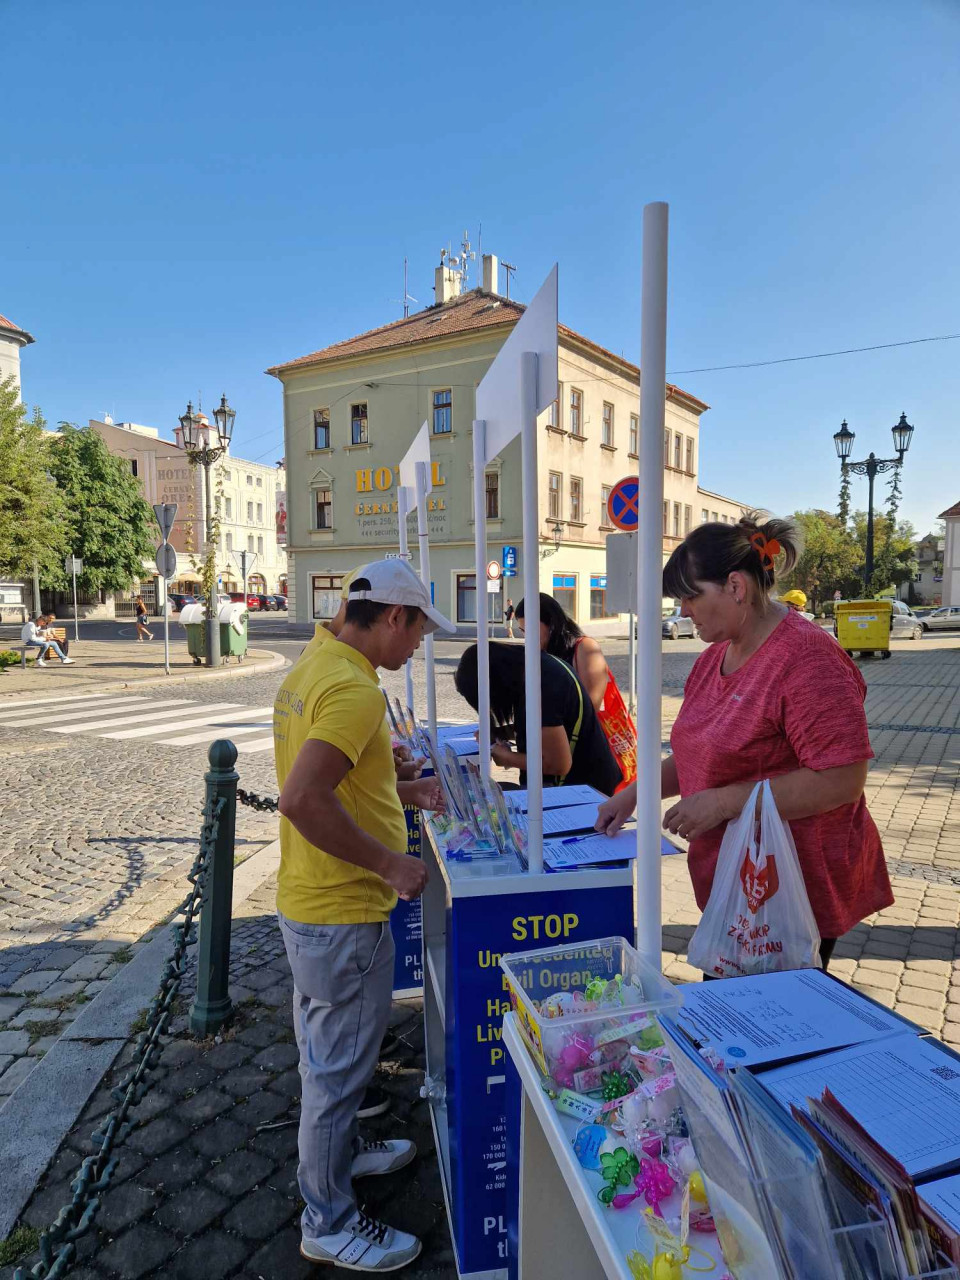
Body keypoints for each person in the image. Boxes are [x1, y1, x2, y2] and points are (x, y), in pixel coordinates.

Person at [596, 514, 892, 974]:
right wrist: (632, 794)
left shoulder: (808, 659)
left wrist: (723, 803)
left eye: (690, 596)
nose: (683, 611)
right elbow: (700, 751)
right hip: (737, 882)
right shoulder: (717, 653)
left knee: (764, 1027)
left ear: (736, 587)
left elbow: (841, 780)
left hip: (791, 889)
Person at [274, 558, 455, 1271]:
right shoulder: (354, 691)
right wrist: (389, 863)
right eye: (416, 631)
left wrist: (402, 792)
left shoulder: (316, 662)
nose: (416, 647)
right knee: (335, 1072)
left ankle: (346, 1155)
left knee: (330, 1060)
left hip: (310, 900)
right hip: (343, 908)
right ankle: (328, 1218)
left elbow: (338, 784)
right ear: (391, 617)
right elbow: (301, 798)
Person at [455, 641, 622, 795]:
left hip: (582, 789)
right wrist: (502, 733)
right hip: (586, 781)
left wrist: (507, 757)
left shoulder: (540, 688)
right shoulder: (538, 666)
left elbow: (557, 764)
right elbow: (545, 727)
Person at [516, 593, 636, 787]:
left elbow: (589, 708)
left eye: (531, 629)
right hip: (566, 758)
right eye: (523, 631)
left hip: (592, 756)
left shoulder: (585, 648)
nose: (527, 638)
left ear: (551, 623)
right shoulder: (544, 656)